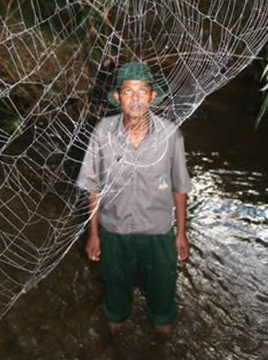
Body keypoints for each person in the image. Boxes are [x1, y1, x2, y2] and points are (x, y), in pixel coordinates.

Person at [77, 61, 191, 342]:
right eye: (128, 91)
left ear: (152, 97)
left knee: (163, 302)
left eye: (142, 91)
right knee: (115, 304)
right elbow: (93, 187)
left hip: (158, 233)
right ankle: (113, 343)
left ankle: (161, 344)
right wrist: (94, 234)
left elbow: (179, 186)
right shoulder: (102, 132)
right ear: (118, 97)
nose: (136, 98)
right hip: (115, 233)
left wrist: (182, 233)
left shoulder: (170, 134)